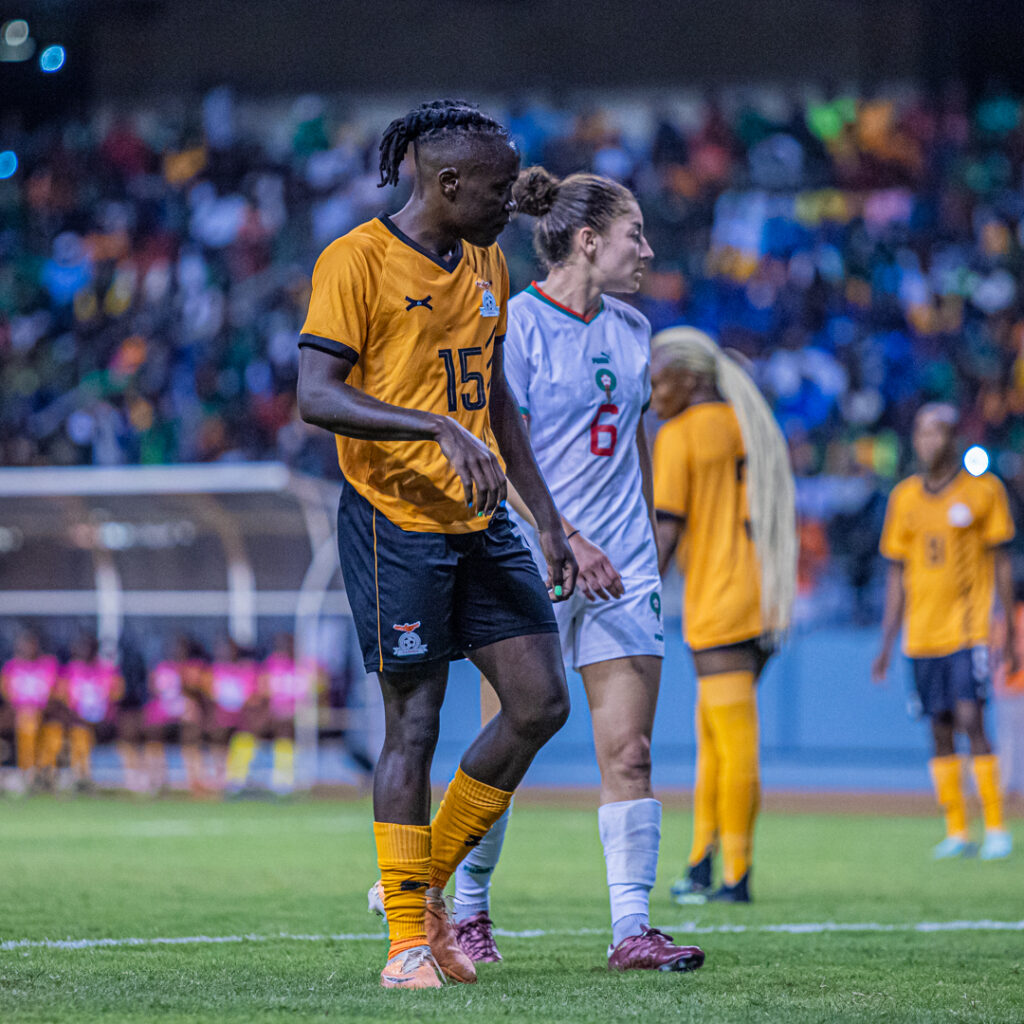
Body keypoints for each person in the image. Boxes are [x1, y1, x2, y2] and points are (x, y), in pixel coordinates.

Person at [296, 99, 577, 990]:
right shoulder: (357, 260)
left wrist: (548, 517)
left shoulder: (488, 258)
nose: (510, 204)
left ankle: (416, 881)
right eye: (496, 189)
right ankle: (408, 945)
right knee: (412, 725)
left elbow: (494, 398)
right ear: (446, 183)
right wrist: (429, 429)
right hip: (394, 521)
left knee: (539, 703)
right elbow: (315, 393)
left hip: (482, 516)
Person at [450, 167, 705, 973]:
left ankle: (632, 929)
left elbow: (632, 445)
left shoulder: (633, 329)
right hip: (530, 559)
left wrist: (641, 550)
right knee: (512, 740)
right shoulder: (516, 326)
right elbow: (495, 451)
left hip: (621, 567)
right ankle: (467, 912)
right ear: (589, 240)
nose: (648, 250)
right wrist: (564, 535)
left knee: (629, 752)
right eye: (636, 234)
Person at [650, 327, 797, 904]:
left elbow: (668, 525)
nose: (653, 392)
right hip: (766, 598)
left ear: (691, 378)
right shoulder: (750, 424)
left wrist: (639, 594)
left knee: (730, 743)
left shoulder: (682, 432)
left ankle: (736, 873)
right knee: (715, 739)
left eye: (659, 379)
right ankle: (702, 865)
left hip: (719, 599)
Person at [872, 404, 1017, 860]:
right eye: (920, 432)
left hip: (969, 628)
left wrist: (1009, 628)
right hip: (922, 635)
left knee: (972, 719)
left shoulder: (984, 490)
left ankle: (996, 826)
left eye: (936, 433)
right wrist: (886, 640)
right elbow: (896, 572)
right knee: (938, 729)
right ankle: (958, 830)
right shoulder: (904, 498)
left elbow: (1002, 561)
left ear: (954, 439)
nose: (927, 441)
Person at [39, 634, 125, 791]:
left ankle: (83, 778)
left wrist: (101, 717)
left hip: (102, 722)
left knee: (81, 733)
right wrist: (75, 716)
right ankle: (47, 776)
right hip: (75, 720)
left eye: (88, 648)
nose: (84, 651)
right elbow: (61, 699)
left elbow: (116, 697)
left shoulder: (108, 671)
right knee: (56, 730)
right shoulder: (69, 671)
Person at [258, 633, 324, 796]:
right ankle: (239, 778)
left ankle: (284, 775)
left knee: (285, 726)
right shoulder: (272, 664)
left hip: (299, 714)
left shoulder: (305, 665)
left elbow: (320, 689)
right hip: (274, 713)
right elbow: (262, 689)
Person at [143, 636, 208, 793]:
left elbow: (199, 692)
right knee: (153, 733)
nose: (177, 651)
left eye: (181, 647)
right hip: (163, 717)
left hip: (186, 718)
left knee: (191, 734)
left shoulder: (194, 668)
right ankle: (157, 781)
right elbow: (153, 692)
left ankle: (195, 780)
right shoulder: (160, 668)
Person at [0, 629, 59, 792]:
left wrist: (40, 710)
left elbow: (55, 692)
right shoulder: (11, 667)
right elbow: (7, 695)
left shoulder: (48, 664)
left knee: (53, 730)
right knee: (27, 723)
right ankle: (28, 772)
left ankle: (46, 774)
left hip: (46, 713)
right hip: (19, 714)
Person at [205, 637, 260, 796]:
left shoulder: (247, 670)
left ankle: (238, 778)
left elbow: (252, 697)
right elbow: (210, 694)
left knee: (248, 730)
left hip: (242, 716)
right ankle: (220, 778)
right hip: (221, 716)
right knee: (217, 732)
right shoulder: (214, 670)